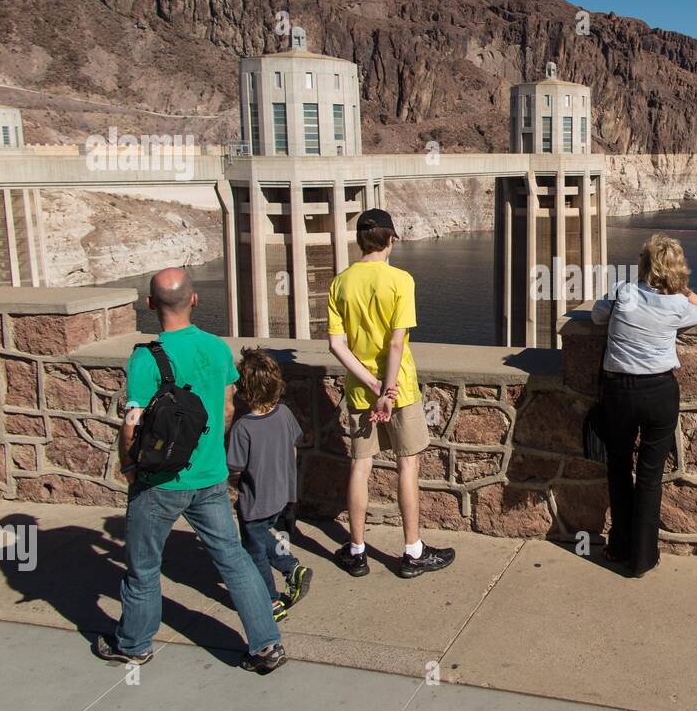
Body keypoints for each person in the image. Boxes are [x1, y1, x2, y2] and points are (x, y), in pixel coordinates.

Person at [98, 268, 287, 674]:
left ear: (149, 305)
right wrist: (209, 454)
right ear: (194, 300)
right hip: (210, 477)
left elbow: (131, 423)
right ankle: (266, 646)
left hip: (158, 484)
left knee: (144, 567)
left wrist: (129, 467)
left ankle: (133, 646)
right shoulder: (218, 349)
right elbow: (229, 408)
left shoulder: (145, 358)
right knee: (233, 558)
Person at [327, 209, 455, 578]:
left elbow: (337, 345)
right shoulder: (400, 280)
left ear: (360, 241)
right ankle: (413, 552)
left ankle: (356, 551)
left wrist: (369, 385)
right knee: (407, 463)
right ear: (390, 240)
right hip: (400, 388)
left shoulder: (341, 283)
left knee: (360, 465)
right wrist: (387, 389)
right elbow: (396, 343)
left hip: (360, 389)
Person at [592, 235, 697, 577]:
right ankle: (643, 558)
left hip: (619, 392)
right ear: (676, 270)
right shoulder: (676, 304)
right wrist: (683, 289)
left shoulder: (622, 292)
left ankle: (619, 546)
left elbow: (599, 317)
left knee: (617, 466)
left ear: (643, 265)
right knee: (649, 476)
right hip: (660, 392)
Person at [227, 347, 312, 623]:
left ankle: (271, 600)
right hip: (282, 495)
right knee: (265, 536)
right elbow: (294, 445)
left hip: (255, 501)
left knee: (255, 551)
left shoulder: (242, 428)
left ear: (243, 389)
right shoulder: (285, 414)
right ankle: (292, 569)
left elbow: (235, 469)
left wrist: (233, 485)